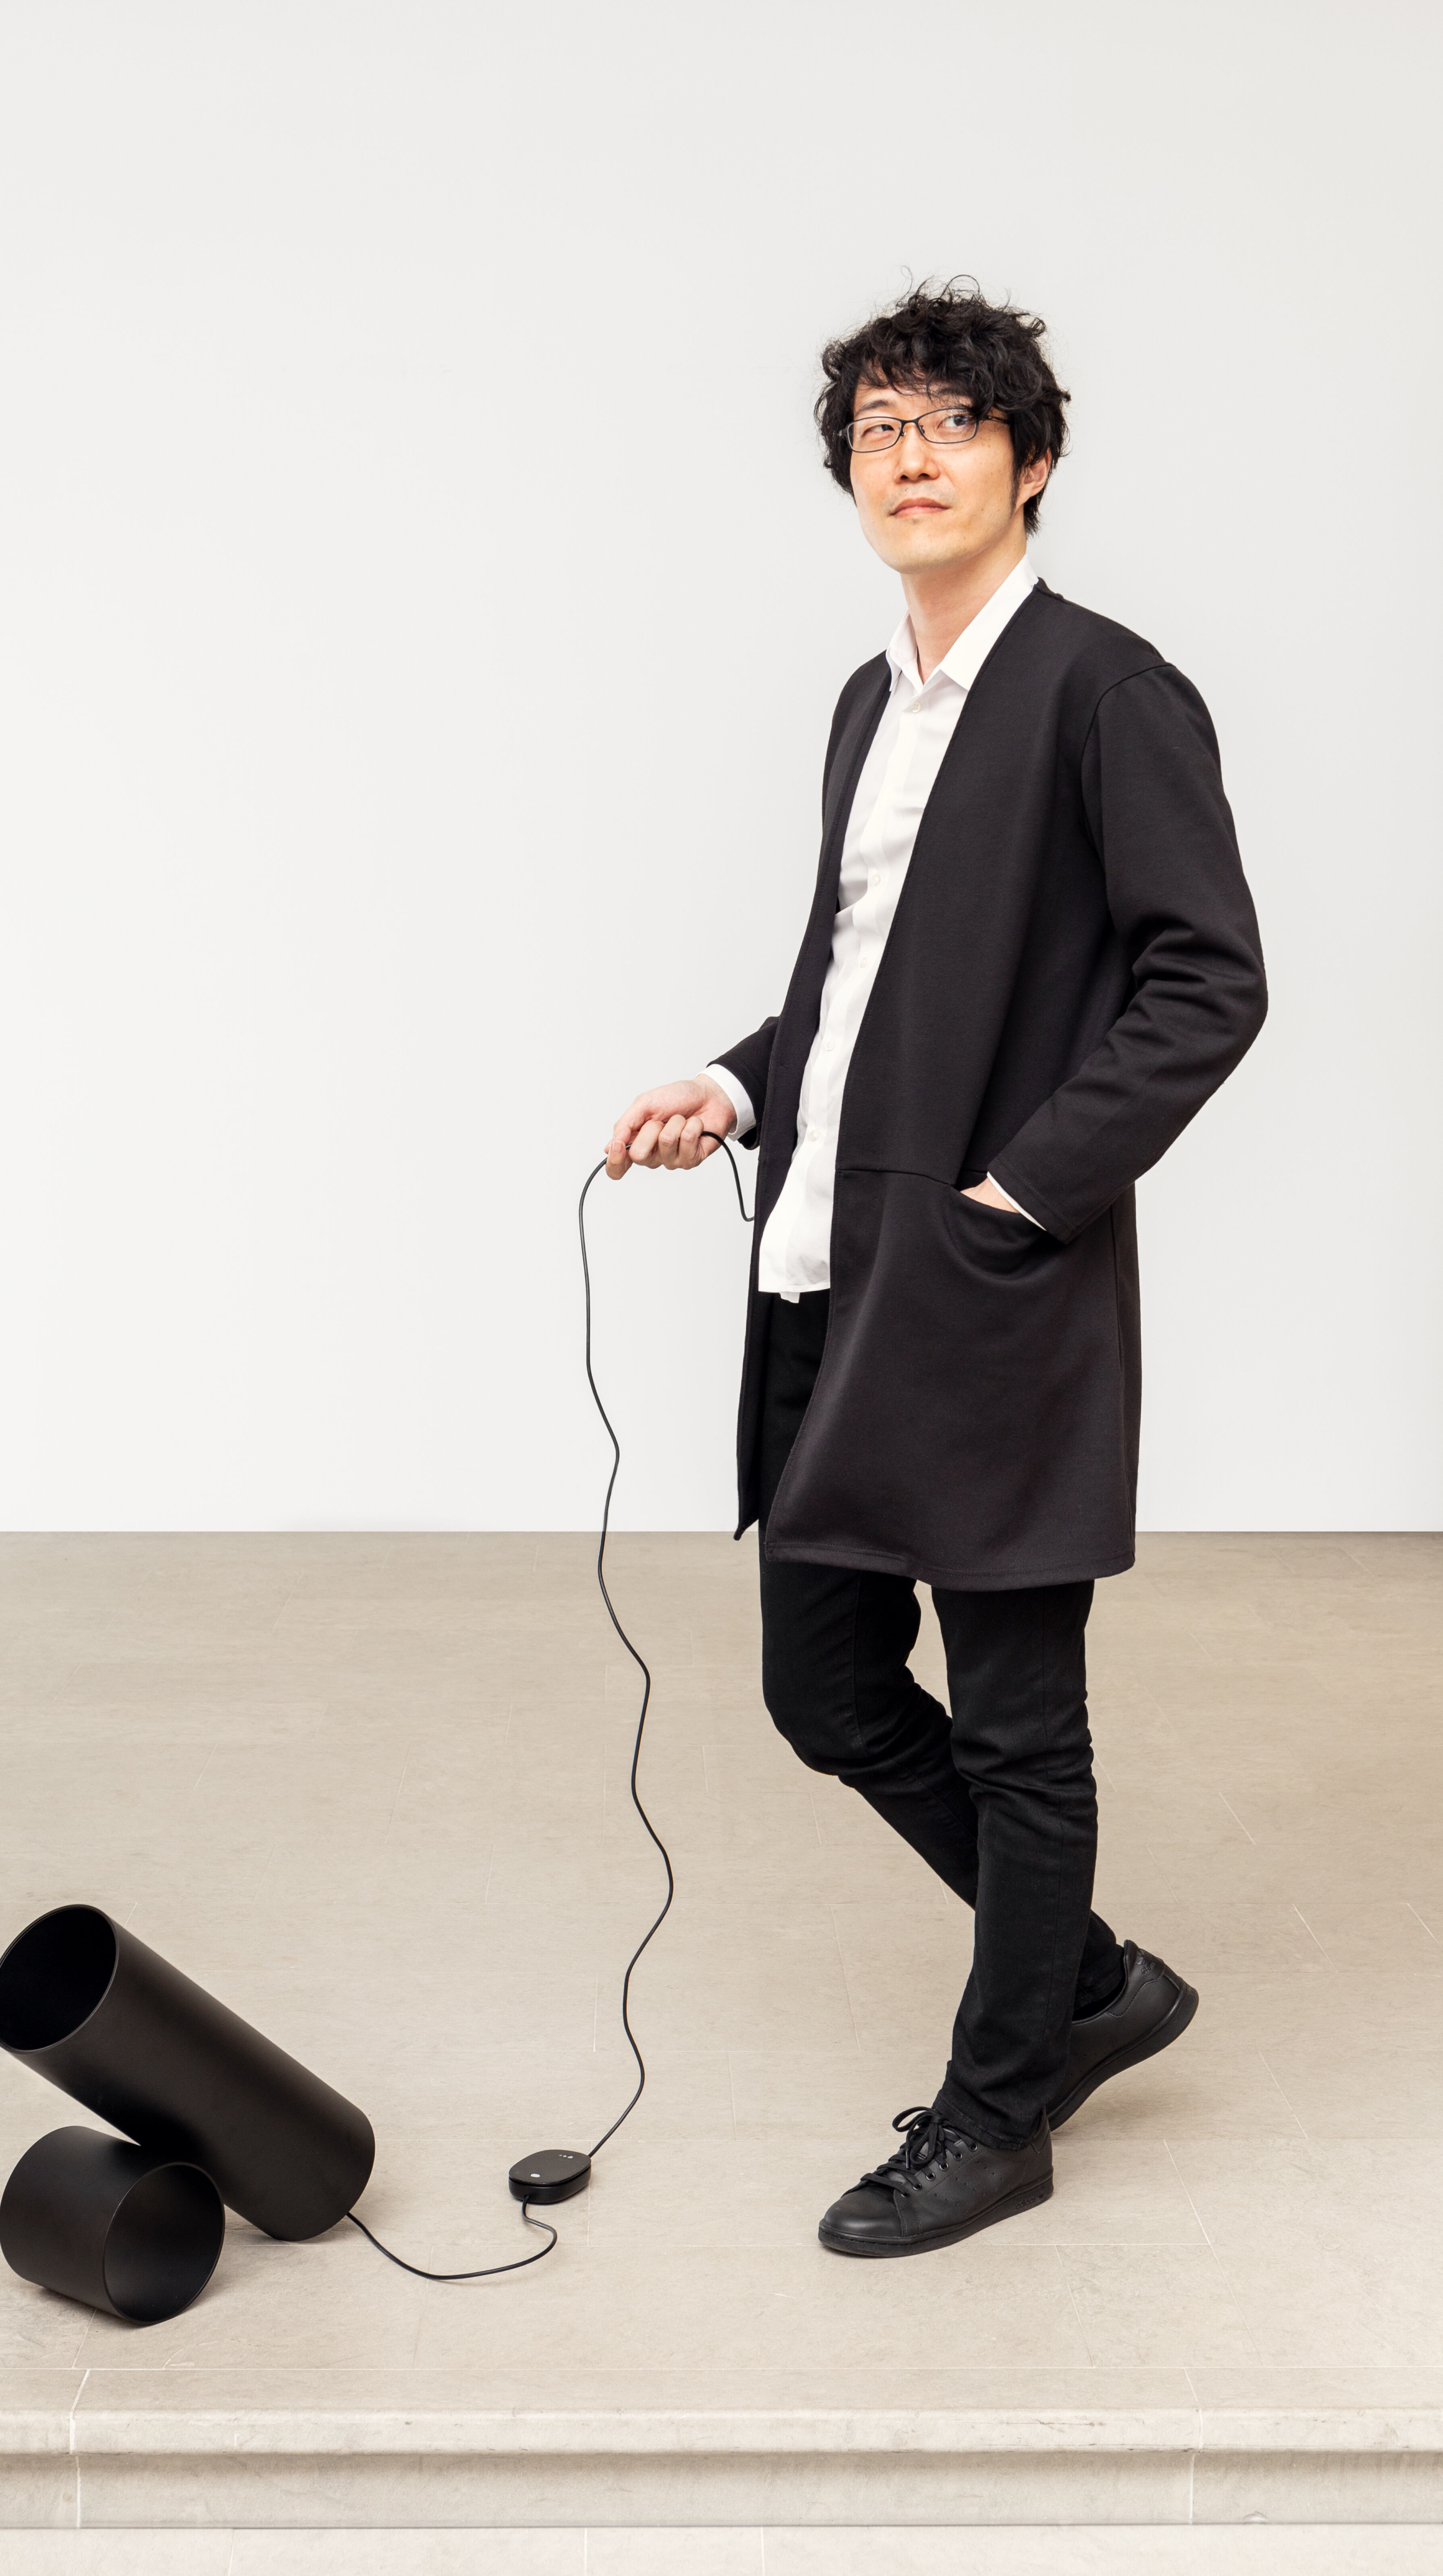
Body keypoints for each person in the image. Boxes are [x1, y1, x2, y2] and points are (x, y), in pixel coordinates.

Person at [606, 279, 1266, 2258]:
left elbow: (1207, 981)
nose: (908, 457)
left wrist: (1016, 1195)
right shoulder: (867, 704)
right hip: (830, 1260)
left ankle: (997, 2113)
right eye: (877, 430)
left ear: (1029, 460)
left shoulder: (1105, 692)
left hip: (986, 1280)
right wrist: (738, 1082)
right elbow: (854, 984)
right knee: (821, 1683)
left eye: (949, 424)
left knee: (1012, 1720)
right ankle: (1085, 1980)